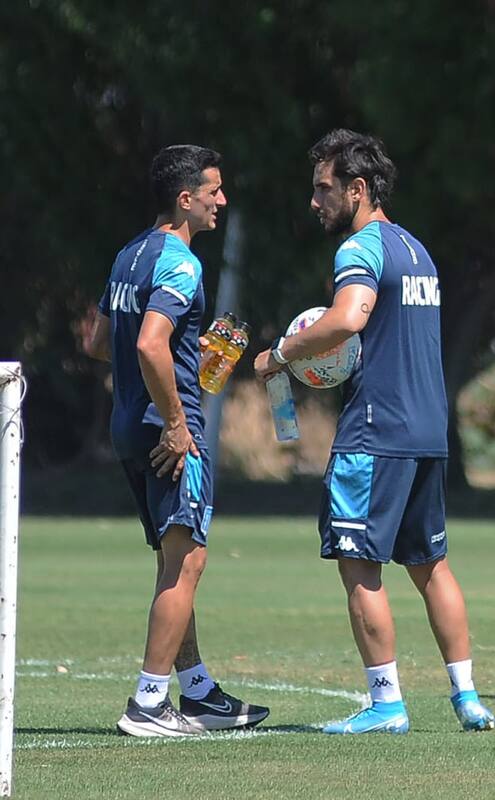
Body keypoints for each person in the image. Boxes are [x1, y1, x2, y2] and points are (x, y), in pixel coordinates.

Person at [253, 129, 494, 734]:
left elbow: (348, 318)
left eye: (323, 189)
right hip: (426, 432)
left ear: (357, 190)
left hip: (375, 431)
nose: (316, 201)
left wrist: (280, 354)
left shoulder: (360, 247)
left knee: (359, 565)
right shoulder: (417, 250)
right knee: (432, 564)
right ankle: (468, 697)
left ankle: (386, 704)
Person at [84, 145, 269, 736]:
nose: (222, 200)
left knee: (174, 561)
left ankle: (197, 692)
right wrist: (175, 420)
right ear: (185, 199)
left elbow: (96, 340)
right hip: (168, 433)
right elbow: (148, 345)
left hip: (126, 425)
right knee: (187, 563)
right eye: (213, 190)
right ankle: (148, 703)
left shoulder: (127, 254)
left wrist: (193, 354)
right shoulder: (181, 262)